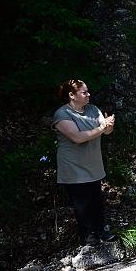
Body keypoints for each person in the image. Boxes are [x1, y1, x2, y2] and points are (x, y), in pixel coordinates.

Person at [53, 79, 116, 245]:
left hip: (92, 163)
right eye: (84, 92)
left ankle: (102, 230)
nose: (88, 95)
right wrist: (102, 128)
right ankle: (88, 235)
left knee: (96, 199)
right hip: (73, 166)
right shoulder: (62, 114)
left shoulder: (93, 109)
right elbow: (78, 138)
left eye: (88, 91)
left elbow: (106, 131)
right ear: (72, 95)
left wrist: (109, 125)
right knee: (81, 203)